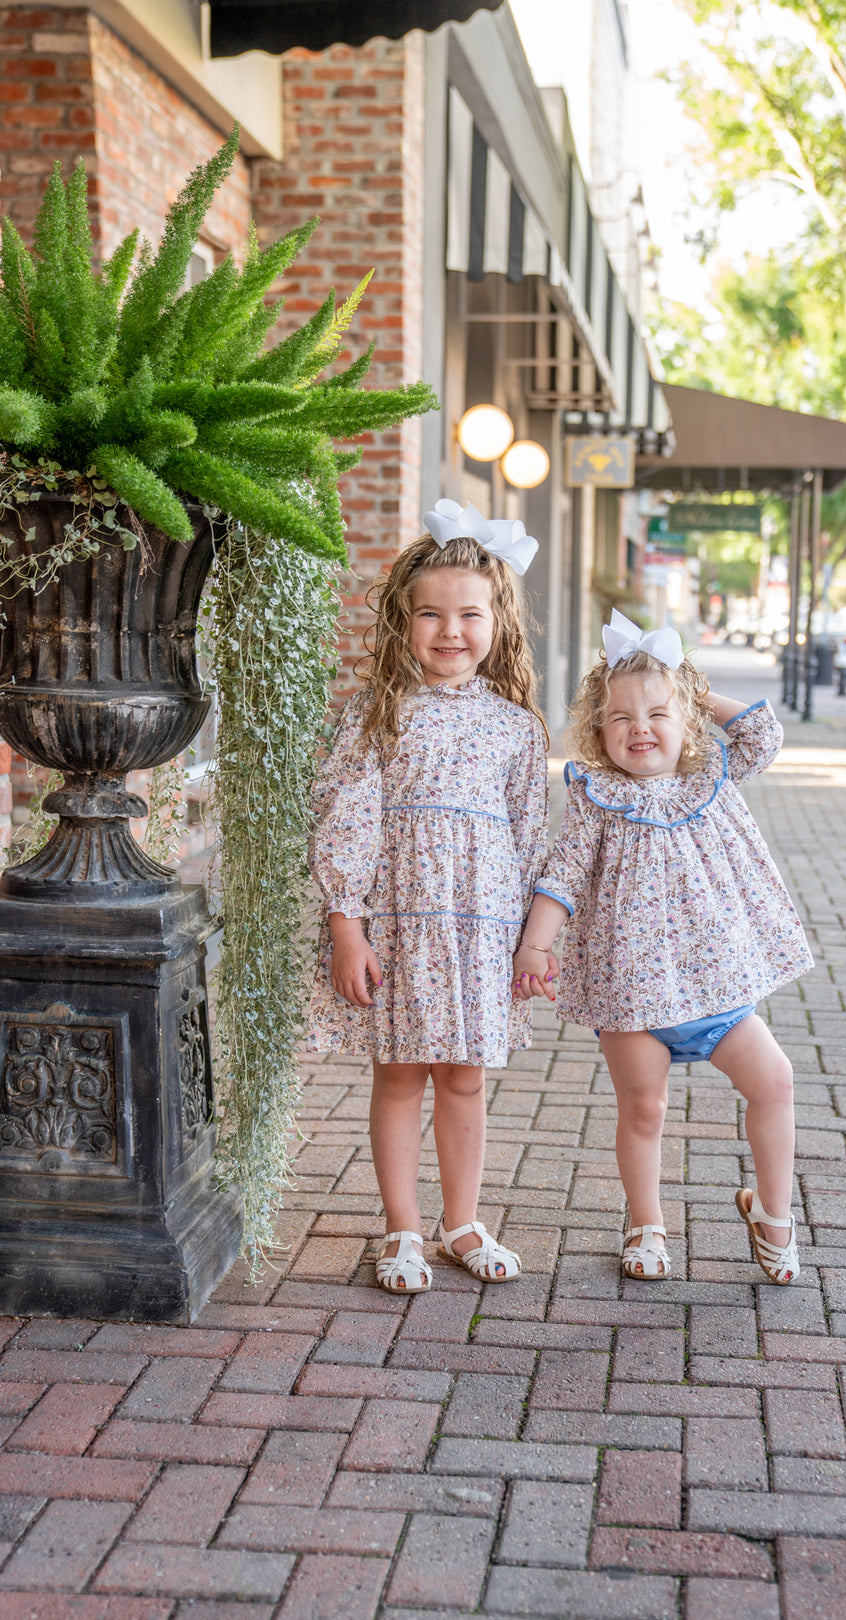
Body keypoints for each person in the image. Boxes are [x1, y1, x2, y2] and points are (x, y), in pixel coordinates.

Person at [513, 609, 812, 1285]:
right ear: (597, 732)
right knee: (644, 1109)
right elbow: (560, 875)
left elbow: (763, 732)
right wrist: (536, 946)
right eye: (620, 718)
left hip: (718, 985)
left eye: (658, 715)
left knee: (775, 1080)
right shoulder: (595, 798)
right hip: (632, 989)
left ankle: (772, 1212)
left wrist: (688, 686)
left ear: (687, 723)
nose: (640, 729)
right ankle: (645, 1221)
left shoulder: (713, 779)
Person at [308, 499, 550, 1295]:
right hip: (402, 926)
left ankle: (463, 1223)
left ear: (498, 623)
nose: (451, 631)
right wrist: (348, 929)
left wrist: (529, 941)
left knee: (465, 1077)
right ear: (402, 622)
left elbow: (526, 839)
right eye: (431, 615)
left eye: (469, 615)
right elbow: (345, 825)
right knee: (401, 1072)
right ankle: (402, 1230)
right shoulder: (377, 716)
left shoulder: (517, 728)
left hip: (480, 931)